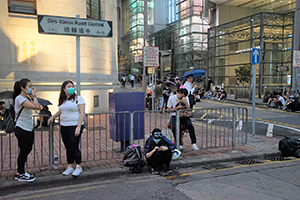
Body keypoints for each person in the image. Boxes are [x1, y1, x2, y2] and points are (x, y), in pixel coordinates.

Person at [48, 80, 86, 177]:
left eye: (72, 86)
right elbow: (61, 110)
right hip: (64, 126)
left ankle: (78, 165)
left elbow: (82, 112)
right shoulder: (63, 100)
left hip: (75, 125)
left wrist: (78, 127)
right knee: (68, 146)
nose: (71, 88)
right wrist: (53, 117)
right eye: (69, 86)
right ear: (64, 89)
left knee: (74, 145)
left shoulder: (78, 98)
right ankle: (70, 165)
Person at [13, 78, 41, 182]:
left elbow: (39, 107)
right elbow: (36, 107)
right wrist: (34, 95)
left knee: (25, 150)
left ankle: (19, 172)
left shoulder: (26, 98)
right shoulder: (19, 99)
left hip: (27, 128)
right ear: (22, 88)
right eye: (29, 86)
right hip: (22, 128)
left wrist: (31, 96)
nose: (32, 88)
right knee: (25, 151)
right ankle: (21, 173)